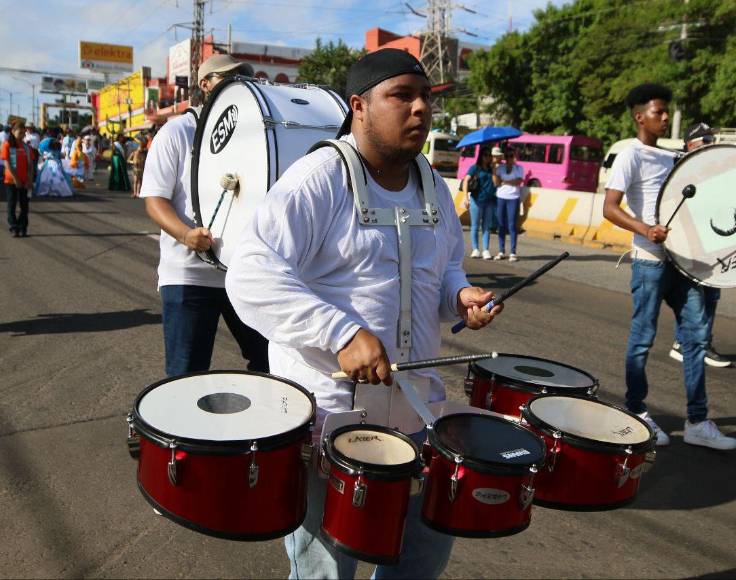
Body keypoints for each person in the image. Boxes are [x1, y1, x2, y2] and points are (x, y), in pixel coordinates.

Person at [226, 48, 501, 579]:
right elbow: (250, 273)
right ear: (359, 105)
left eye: (426, 98)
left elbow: (443, 268)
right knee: (326, 571)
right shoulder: (319, 178)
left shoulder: (433, 185)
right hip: (330, 424)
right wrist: (341, 332)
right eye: (402, 95)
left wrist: (460, 296)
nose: (420, 109)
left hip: (416, 416)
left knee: (417, 561)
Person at [603, 83, 736, 451]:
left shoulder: (674, 158)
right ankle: (635, 410)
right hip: (650, 262)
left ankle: (697, 420)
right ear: (639, 116)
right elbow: (610, 207)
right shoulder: (631, 155)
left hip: (683, 261)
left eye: (666, 112)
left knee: (695, 337)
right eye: (658, 112)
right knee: (643, 338)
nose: (665, 118)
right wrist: (646, 229)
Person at [139, 53, 269, 378]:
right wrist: (185, 235)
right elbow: (155, 199)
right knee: (186, 376)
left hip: (244, 274)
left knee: (270, 364)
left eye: (244, 77)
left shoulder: (255, 137)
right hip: (190, 277)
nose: (239, 83)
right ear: (205, 85)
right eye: (229, 77)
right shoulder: (177, 132)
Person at [668, 122, 732, 368]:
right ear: (690, 144)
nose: (710, 145)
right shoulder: (679, 167)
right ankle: (686, 343)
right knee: (694, 295)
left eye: (711, 140)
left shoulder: (714, 169)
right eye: (705, 141)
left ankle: (700, 343)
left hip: (714, 240)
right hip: (690, 244)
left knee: (712, 294)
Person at [461, 146, 497, 259]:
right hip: (476, 200)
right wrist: (465, 197)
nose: (488, 157)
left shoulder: (492, 169)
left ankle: (485, 250)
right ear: (481, 157)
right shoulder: (475, 168)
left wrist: (495, 168)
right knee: (475, 226)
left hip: (489, 201)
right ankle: (475, 249)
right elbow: (466, 181)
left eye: (489, 155)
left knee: (486, 227)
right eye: (485, 155)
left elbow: (496, 183)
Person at [1, 122, 34, 237]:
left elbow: (30, 165)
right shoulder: (7, 145)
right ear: (13, 132)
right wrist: (16, 179)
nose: (22, 135)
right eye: (20, 133)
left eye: (23, 133)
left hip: (25, 181)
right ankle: (14, 227)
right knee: (12, 205)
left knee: (25, 206)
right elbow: (7, 163)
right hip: (11, 181)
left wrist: (29, 179)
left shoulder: (27, 147)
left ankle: (22, 227)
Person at [493, 146, 524, 261]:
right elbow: (496, 182)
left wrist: (505, 181)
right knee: (501, 225)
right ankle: (501, 250)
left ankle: (513, 252)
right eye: (507, 156)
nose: (509, 158)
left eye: (511, 156)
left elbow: (519, 181)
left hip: (513, 198)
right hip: (501, 197)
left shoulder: (519, 168)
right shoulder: (500, 168)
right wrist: (494, 168)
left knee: (512, 225)